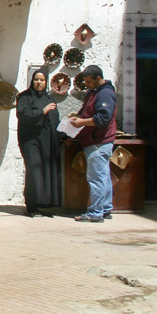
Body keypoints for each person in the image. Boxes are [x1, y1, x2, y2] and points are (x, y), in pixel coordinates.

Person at [68, 65, 118, 223]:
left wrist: (82, 122)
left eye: (89, 82)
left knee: (96, 178)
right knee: (103, 176)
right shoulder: (93, 92)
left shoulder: (105, 94)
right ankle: (105, 208)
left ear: (98, 78)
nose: (87, 85)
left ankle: (95, 212)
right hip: (95, 141)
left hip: (98, 142)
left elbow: (103, 118)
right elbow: (88, 111)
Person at [16, 68, 61, 217]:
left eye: (42, 80)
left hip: (46, 141)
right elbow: (23, 115)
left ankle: (44, 203)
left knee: (45, 170)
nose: (39, 82)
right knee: (34, 169)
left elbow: (55, 120)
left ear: (46, 82)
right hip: (30, 141)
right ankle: (32, 206)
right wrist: (42, 111)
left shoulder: (49, 98)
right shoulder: (24, 97)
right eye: (36, 79)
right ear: (32, 81)